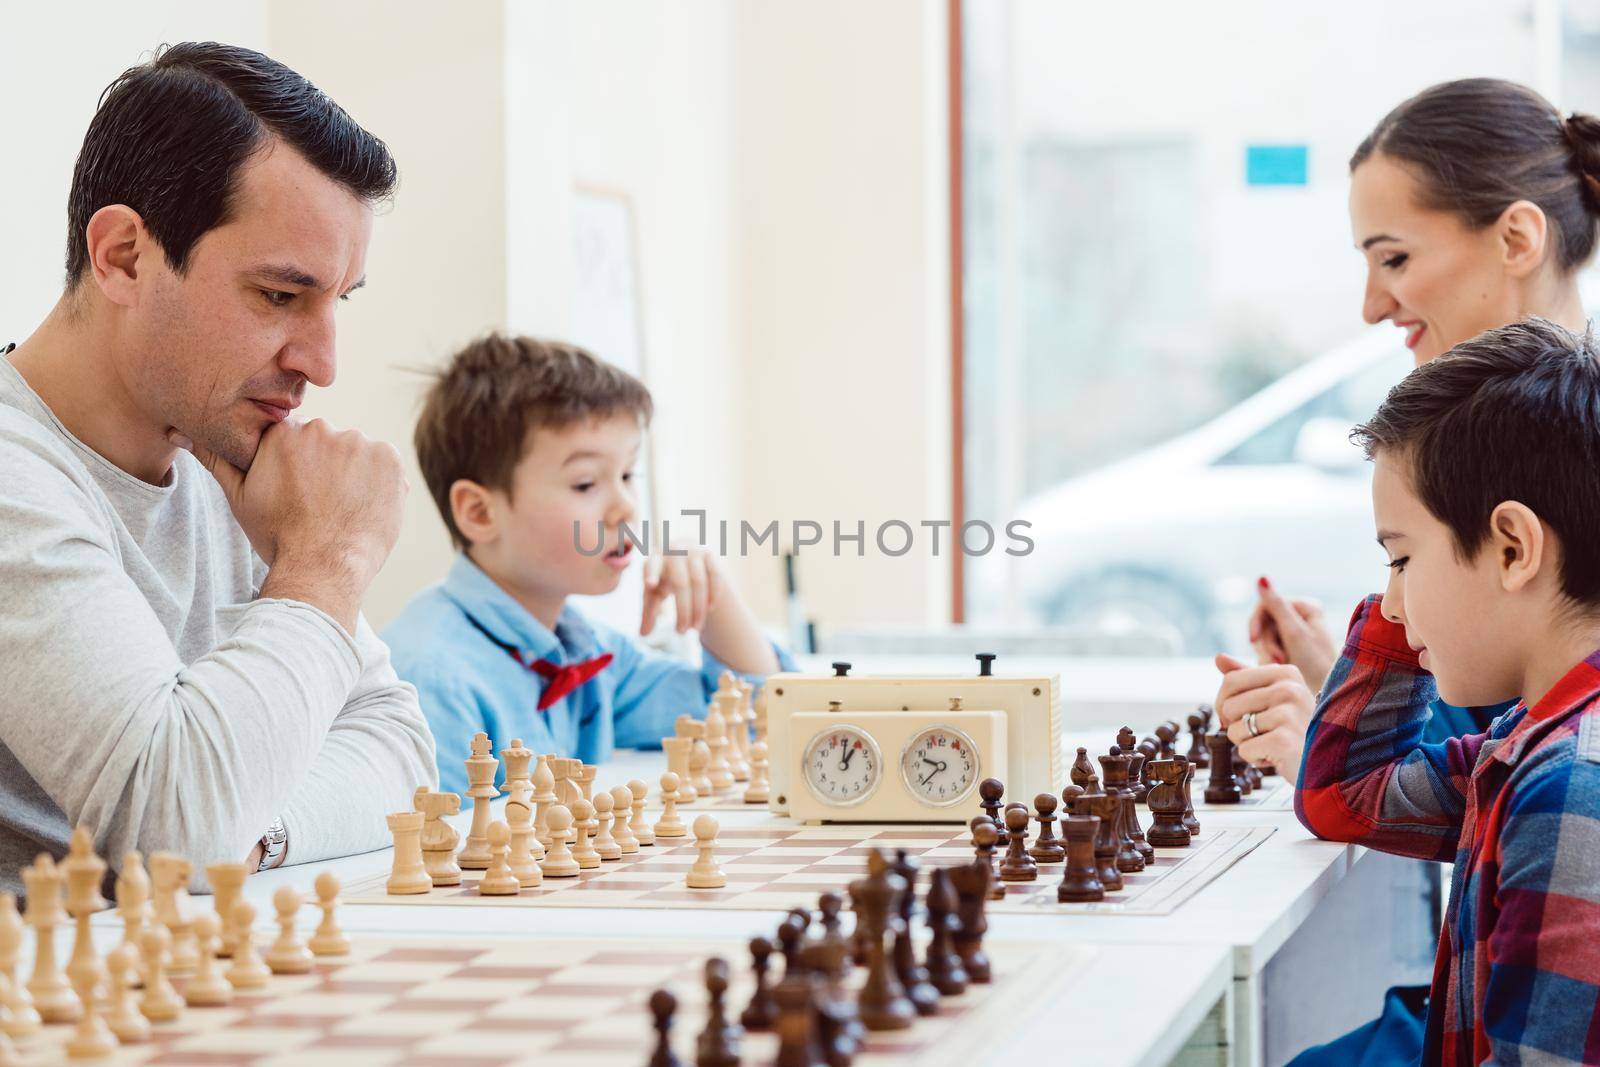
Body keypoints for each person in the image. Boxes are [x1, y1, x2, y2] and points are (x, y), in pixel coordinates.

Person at [0, 43, 437, 894]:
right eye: (280, 296)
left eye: (336, 301)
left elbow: (396, 742)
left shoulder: (221, 456)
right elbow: (179, 833)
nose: (322, 361)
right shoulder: (15, 477)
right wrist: (324, 564)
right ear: (124, 254)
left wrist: (256, 829)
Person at [1216, 79, 1600, 775]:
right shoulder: (1483, 444)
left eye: (1394, 258)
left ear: (1517, 238)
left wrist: (1324, 746)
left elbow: (1548, 786)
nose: (1371, 306)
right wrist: (1345, 686)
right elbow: (1502, 737)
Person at [1296, 318, 1600, 1063]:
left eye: (1398, 560)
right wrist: (1421, 602)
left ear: (1512, 547)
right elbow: (1345, 792)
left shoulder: (1567, 785)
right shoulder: (1520, 750)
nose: (1390, 605)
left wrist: (1427, 609)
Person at [383, 334, 793, 795]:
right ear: (479, 512)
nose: (625, 508)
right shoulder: (432, 678)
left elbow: (757, 720)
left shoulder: (586, 651)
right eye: (585, 483)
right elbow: (432, 854)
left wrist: (711, 590)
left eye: (626, 475)